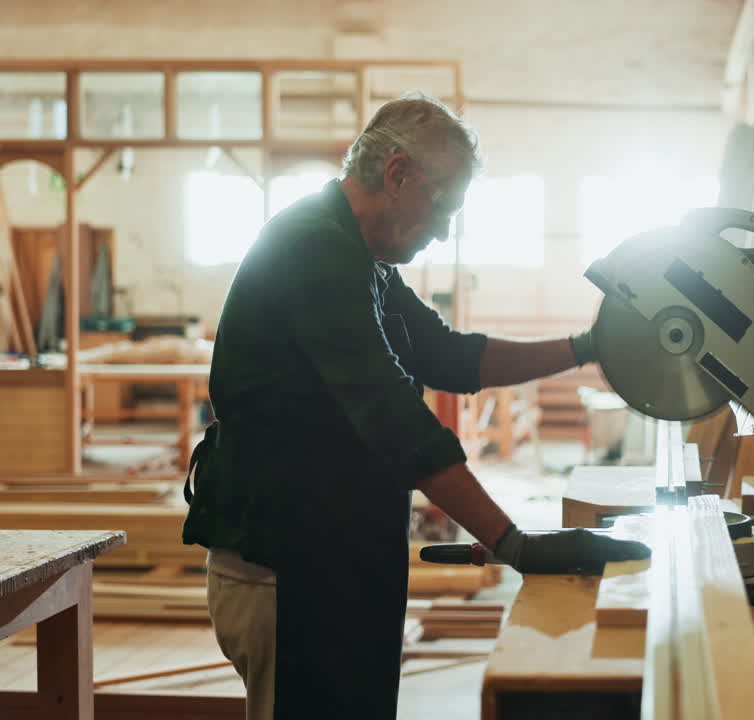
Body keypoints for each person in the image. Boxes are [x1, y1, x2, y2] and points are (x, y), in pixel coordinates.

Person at [181, 92, 649, 719]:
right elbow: (394, 419)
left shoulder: (360, 256)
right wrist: (515, 544)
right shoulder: (313, 250)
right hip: (285, 566)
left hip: (335, 556)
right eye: (445, 205)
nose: (444, 228)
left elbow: (450, 357)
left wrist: (589, 347)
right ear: (398, 175)